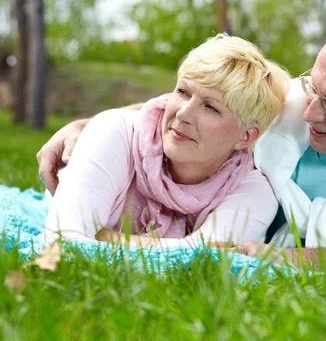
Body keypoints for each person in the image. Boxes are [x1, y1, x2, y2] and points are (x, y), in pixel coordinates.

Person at [38, 23, 326, 273]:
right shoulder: (299, 101)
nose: (308, 113)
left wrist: (289, 260)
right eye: (312, 87)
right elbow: (205, 102)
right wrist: (89, 126)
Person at [41, 34, 290, 247]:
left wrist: (101, 235)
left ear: (245, 136)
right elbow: (62, 239)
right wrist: (177, 246)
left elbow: (202, 260)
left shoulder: (254, 189)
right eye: (183, 92)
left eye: (210, 108)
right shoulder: (114, 131)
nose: (183, 113)